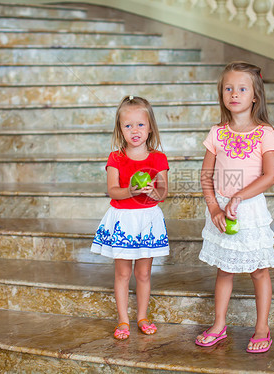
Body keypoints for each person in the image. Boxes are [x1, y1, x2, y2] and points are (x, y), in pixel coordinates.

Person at [195, 62, 274, 353]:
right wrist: (214, 210)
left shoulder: (265, 133)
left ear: (254, 95)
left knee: (259, 271)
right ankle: (219, 325)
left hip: (250, 209)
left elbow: (270, 176)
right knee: (224, 269)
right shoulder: (217, 133)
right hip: (221, 210)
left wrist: (238, 198)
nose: (234, 93)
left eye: (242, 88)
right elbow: (207, 176)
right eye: (228, 88)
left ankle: (262, 328)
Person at [91, 95, 169, 340]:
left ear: (150, 127)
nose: (134, 130)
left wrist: (153, 192)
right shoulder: (116, 158)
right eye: (128, 125)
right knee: (123, 274)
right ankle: (123, 319)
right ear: (120, 129)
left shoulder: (158, 158)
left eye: (140, 124)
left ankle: (142, 316)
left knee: (144, 274)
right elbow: (113, 190)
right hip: (123, 220)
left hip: (147, 220)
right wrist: (131, 192)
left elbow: (163, 191)